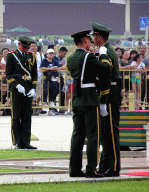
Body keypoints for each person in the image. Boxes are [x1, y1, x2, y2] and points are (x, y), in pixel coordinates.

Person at [67, 30, 111, 178]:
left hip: (77, 98)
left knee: (77, 134)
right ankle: (91, 169)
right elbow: (105, 69)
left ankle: (74, 169)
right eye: (88, 40)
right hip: (90, 99)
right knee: (93, 135)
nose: (90, 42)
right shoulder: (88, 57)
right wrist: (104, 55)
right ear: (83, 41)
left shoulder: (70, 58)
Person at [91, 22, 122, 177]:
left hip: (110, 94)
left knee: (110, 132)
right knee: (105, 132)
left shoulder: (104, 51)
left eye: (94, 36)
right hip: (111, 93)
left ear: (100, 37)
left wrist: (103, 100)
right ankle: (105, 165)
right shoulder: (106, 49)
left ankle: (114, 167)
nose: (93, 38)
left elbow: (105, 77)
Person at [6, 36, 37, 150]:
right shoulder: (12, 55)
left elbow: (34, 75)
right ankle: (17, 141)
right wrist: (17, 85)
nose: (25, 49)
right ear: (19, 44)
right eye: (24, 46)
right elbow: (8, 74)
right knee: (16, 116)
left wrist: (33, 88)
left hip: (28, 88)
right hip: (16, 89)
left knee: (27, 116)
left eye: (27, 47)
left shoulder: (31, 56)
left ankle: (26, 141)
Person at [40, 49, 61, 116]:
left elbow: (58, 67)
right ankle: (46, 103)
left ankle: (51, 103)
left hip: (54, 79)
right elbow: (41, 68)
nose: (51, 55)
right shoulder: (45, 61)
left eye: (52, 53)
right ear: (47, 54)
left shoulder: (55, 61)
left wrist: (56, 69)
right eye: (49, 53)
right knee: (46, 91)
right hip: (46, 79)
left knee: (55, 90)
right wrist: (50, 69)